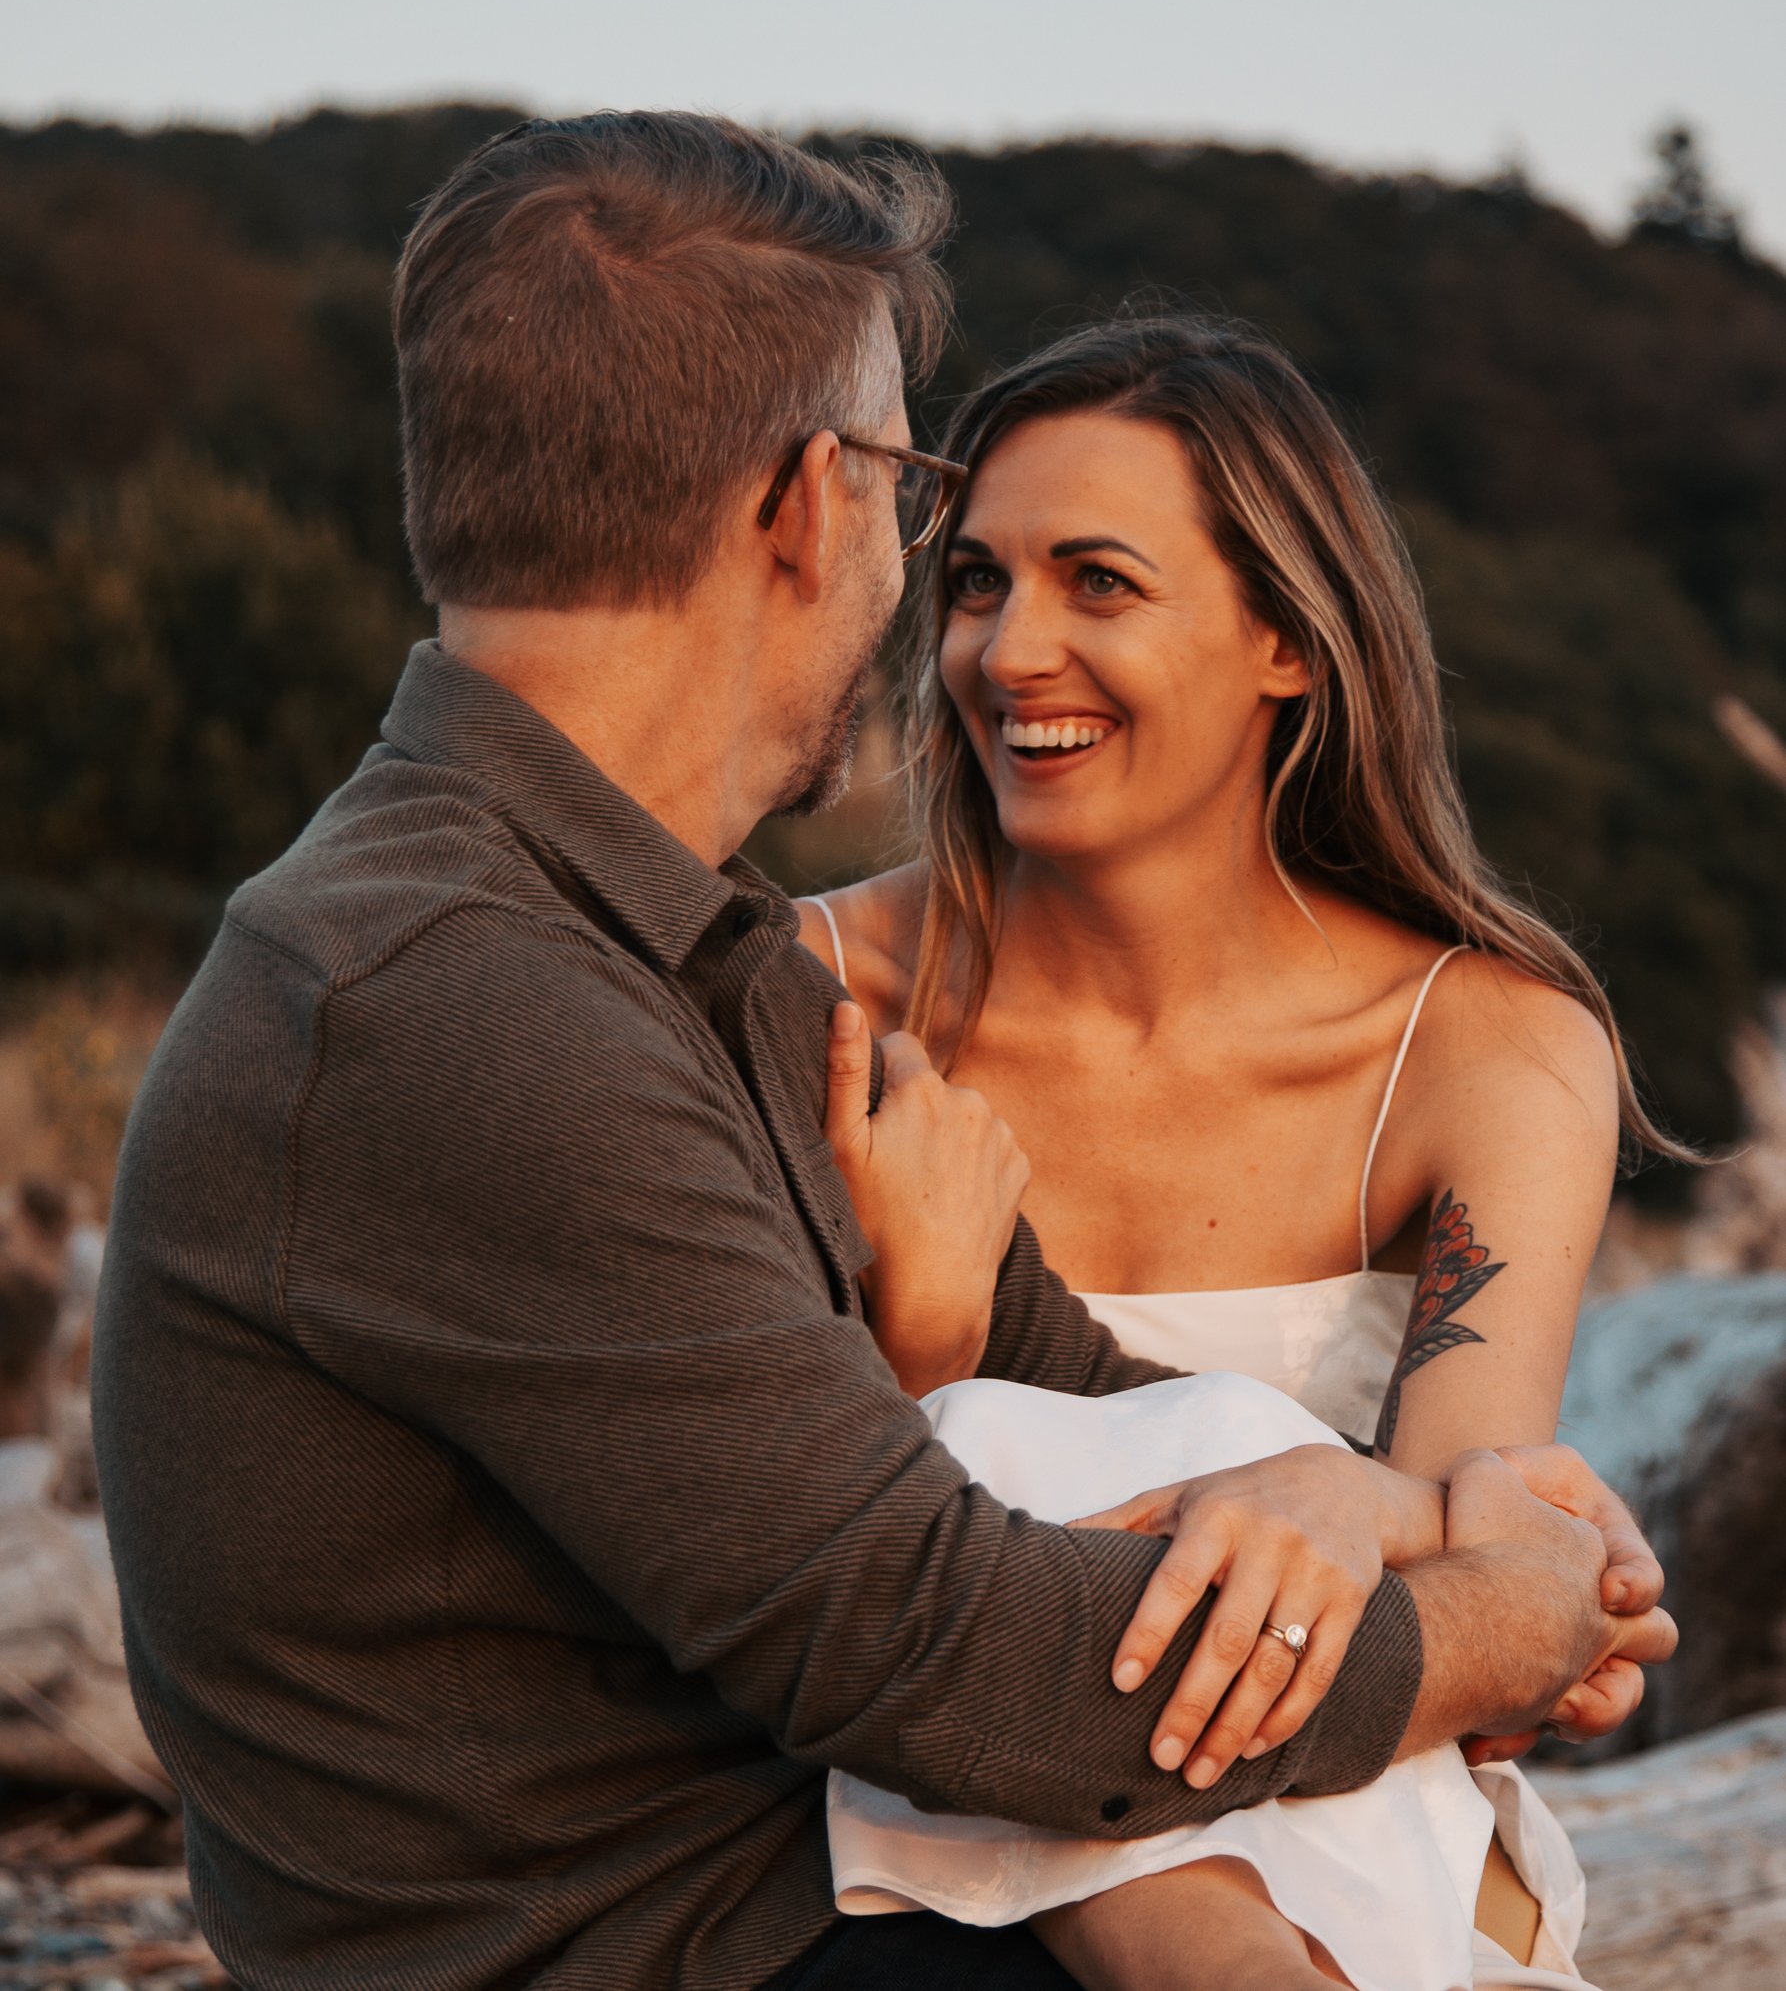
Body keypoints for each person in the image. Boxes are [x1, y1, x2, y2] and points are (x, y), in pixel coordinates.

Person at [92, 119, 1671, 1991]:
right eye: (930, 507)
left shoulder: (678, 955)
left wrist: (1408, 1508)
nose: (975, 630)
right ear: (804, 504)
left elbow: (1088, 1391)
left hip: (794, 1887)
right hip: (663, 1947)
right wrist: (1499, 1620)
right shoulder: (458, 1000)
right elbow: (960, 1667)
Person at [798, 314, 1687, 1986]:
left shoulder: (1485, 1047)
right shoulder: (813, 997)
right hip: (912, 1840)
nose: (1007, 650)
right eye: (977, 585)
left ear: (1285, 638)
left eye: (1097, 584)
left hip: (1353, 1830)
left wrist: (1370, 1513)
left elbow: (1494, 1582)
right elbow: (759, 1535)